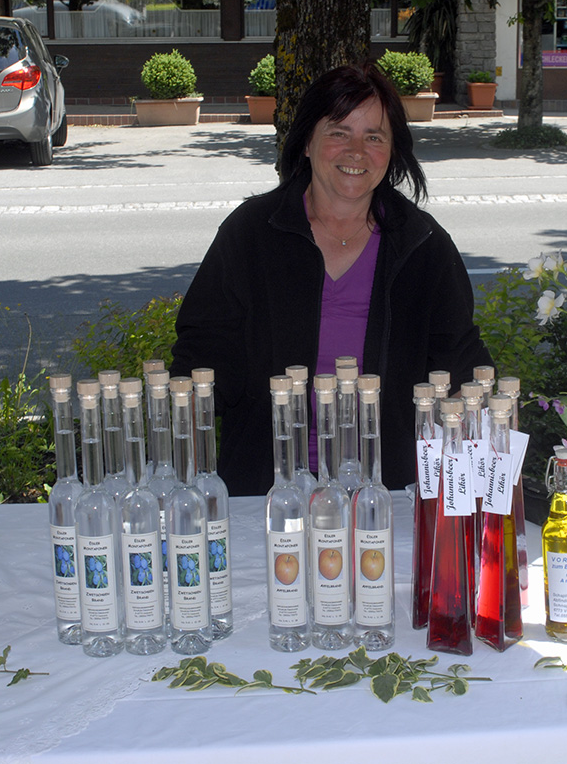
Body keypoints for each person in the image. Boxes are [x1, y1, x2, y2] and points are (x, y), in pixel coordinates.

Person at [169, 62, 492, 496]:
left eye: (374, 137)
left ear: (392, 150)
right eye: (339, 132)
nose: (356, 151)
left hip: (386, 493)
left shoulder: (422, 245)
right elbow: (202, 356)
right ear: (307, 141)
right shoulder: (251, 233)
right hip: (269, 492)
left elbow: (461, 367)